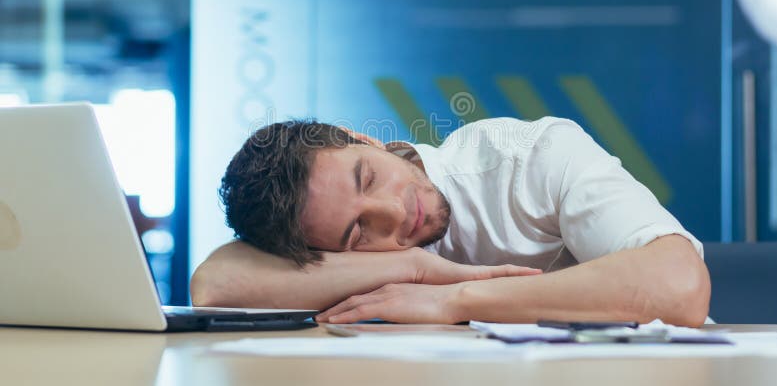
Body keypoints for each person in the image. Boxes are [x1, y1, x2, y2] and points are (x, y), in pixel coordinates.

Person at [190, 116, 710, 326]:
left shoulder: (529, 158)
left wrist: (453, 297)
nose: (395, 213)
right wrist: (416, 267)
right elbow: (215, 286)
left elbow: (680, 288)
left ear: (364, 138)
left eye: (368, 178)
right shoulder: (384, 256)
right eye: (358, 232)